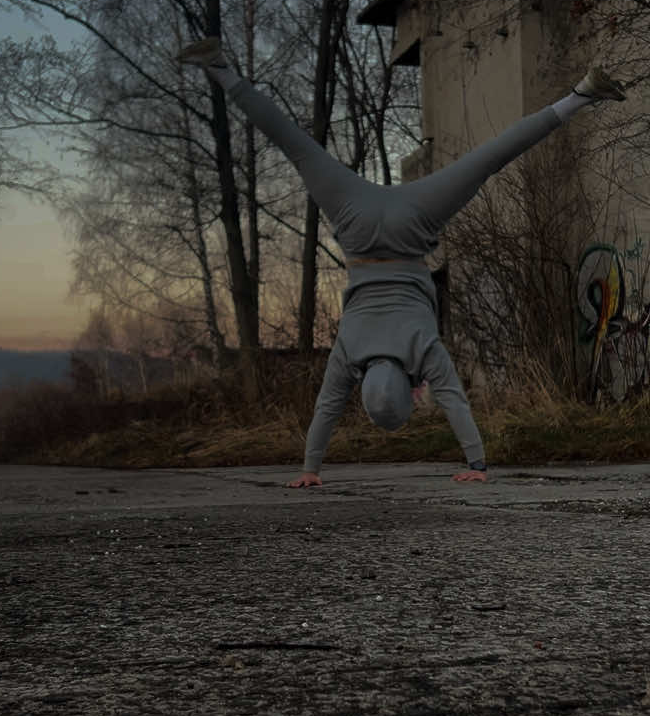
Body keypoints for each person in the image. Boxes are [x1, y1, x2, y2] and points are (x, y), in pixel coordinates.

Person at [178, 37, 624, 488]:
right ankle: (220, 69)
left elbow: (453, 401)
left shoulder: (422, 347)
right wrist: (308, 469)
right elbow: (327, 407)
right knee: (294, 144)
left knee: (489, 159)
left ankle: (583, 93)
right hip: (355, 219)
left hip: (414, 223)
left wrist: (477, 465)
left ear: (411, 394)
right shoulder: (351, 350)